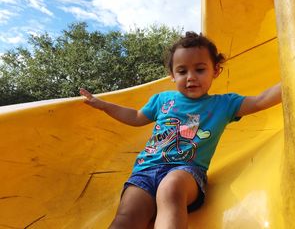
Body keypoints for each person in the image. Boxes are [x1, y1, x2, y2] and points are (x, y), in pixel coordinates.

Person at [80, 32, 282, 229]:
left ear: (216, 70)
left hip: (186, 172)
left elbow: (260, 101)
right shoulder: (162, 100)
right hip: (146, 170)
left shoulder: (224, 104)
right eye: (182, 71)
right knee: (126, 217)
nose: (191, 77)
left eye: (200, 70)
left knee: (171, 187)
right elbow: (135, 117)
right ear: (172, 75)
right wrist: (105, 106)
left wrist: (294, 77)